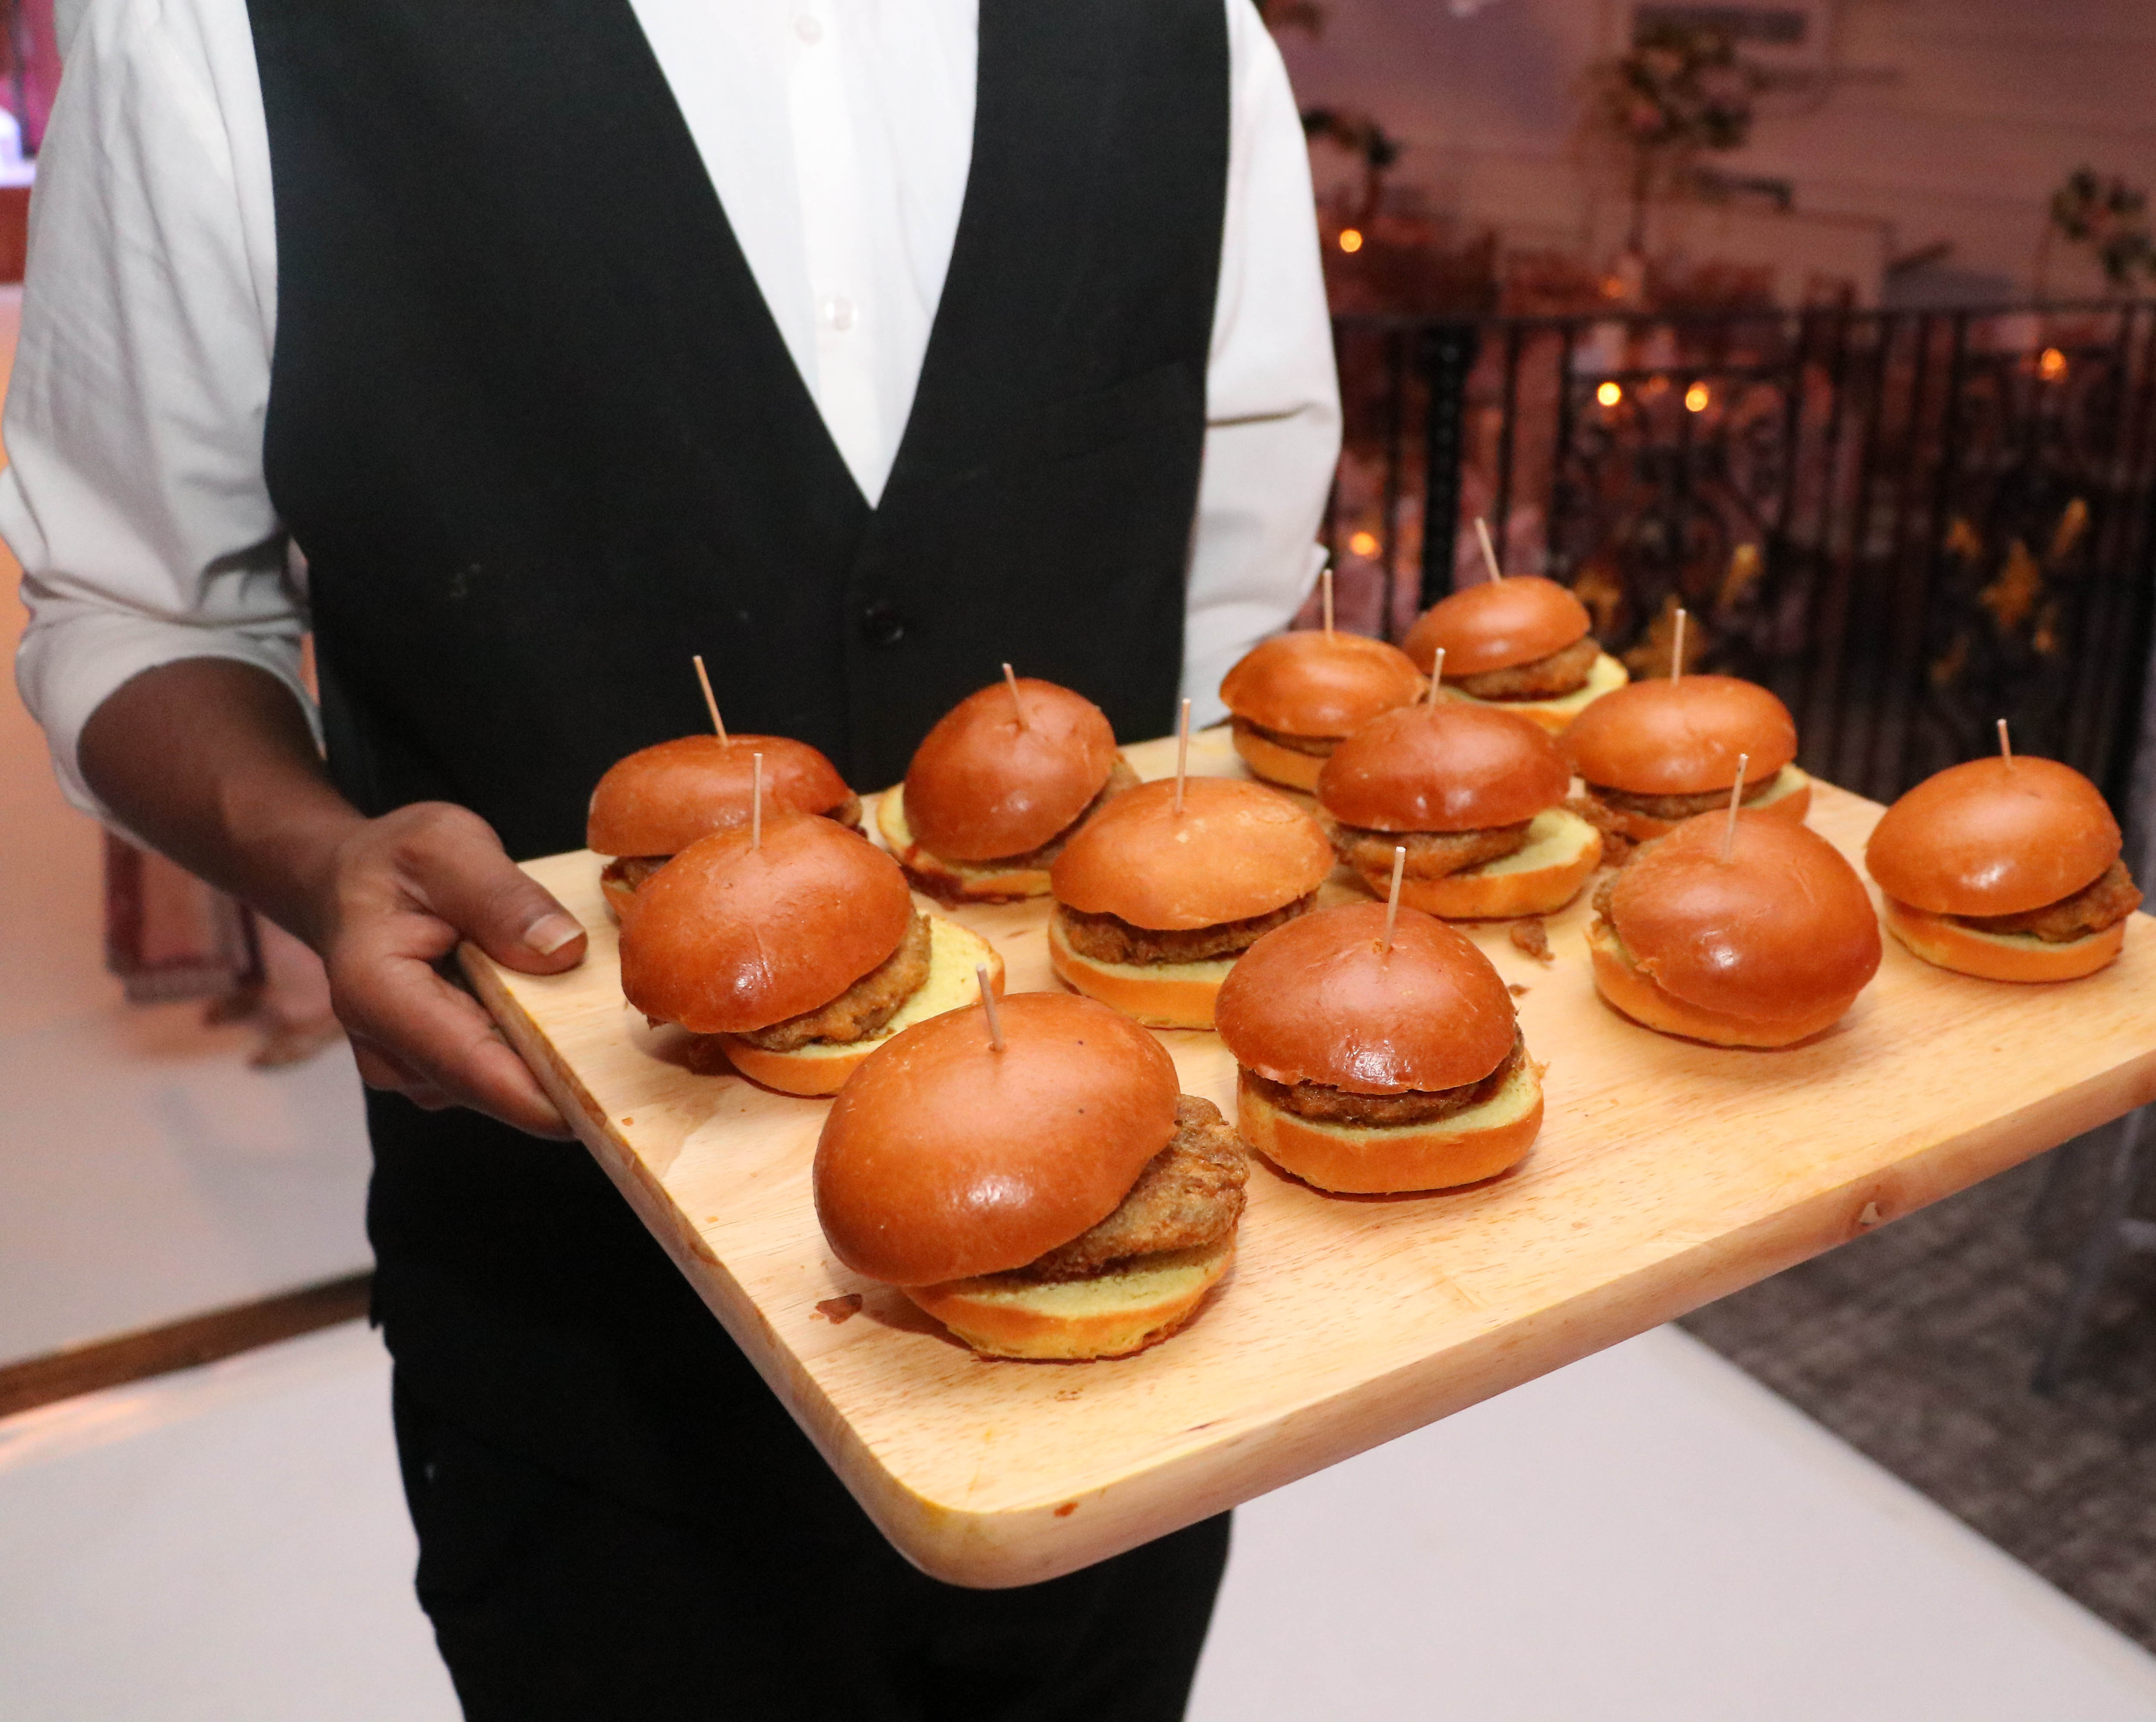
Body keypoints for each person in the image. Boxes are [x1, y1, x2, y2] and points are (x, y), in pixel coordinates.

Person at [6, 0, 1338, 1715]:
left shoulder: (1191, 35)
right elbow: (131, 599)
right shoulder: (207, 24)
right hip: (580, 1354)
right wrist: (320, 854)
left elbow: (1224, 572)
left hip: (1115, 1369)